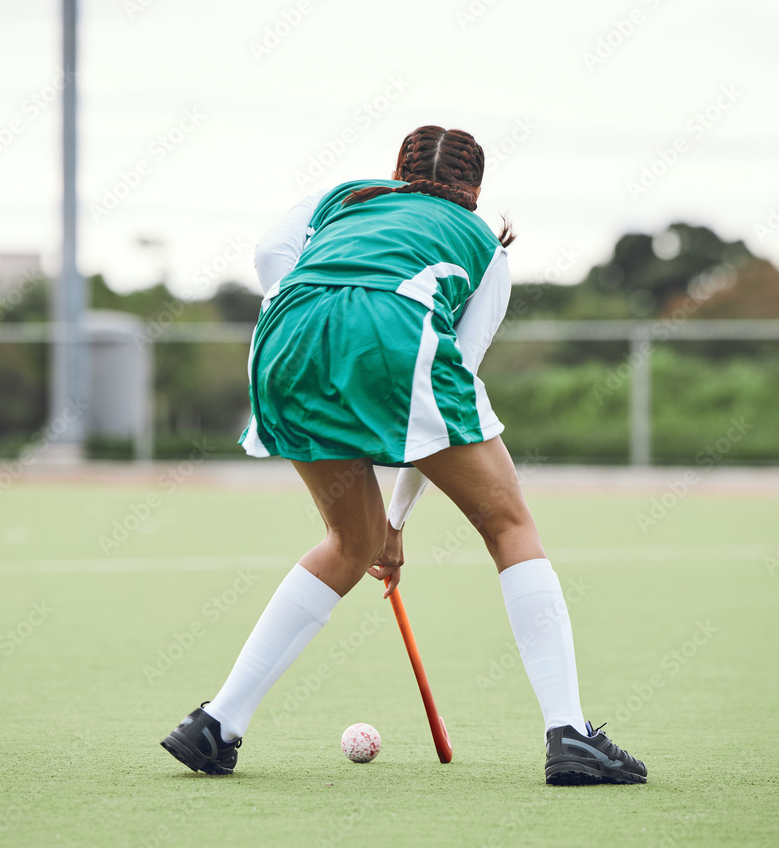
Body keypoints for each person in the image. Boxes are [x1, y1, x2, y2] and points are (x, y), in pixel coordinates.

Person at [160, 125, 646, 786]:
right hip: (393, 335)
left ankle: (217, 724)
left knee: (348, 541)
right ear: (475, 190)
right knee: (508, 524)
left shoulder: (343, 198)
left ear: (398, 168)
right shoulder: (483, 249)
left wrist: (316, 303)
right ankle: (570, 734)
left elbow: (272, 248)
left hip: (287, 337)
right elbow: (446, 398)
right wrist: (400, 516)